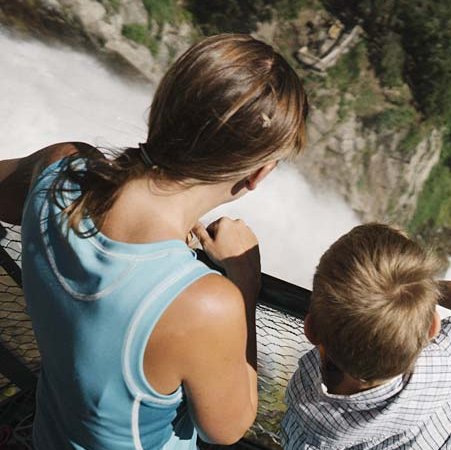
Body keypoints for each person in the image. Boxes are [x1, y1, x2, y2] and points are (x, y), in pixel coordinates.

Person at [0, 34, 307, 449]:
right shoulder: (203, 304)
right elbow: (227, 427)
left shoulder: (59, 170)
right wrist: (244, 282)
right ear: (259, 174)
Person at [282, 223, 451, 449]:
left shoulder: (305, 405)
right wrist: (416, 289)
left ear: (311, 329)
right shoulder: (449, 363)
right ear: (433, 327)